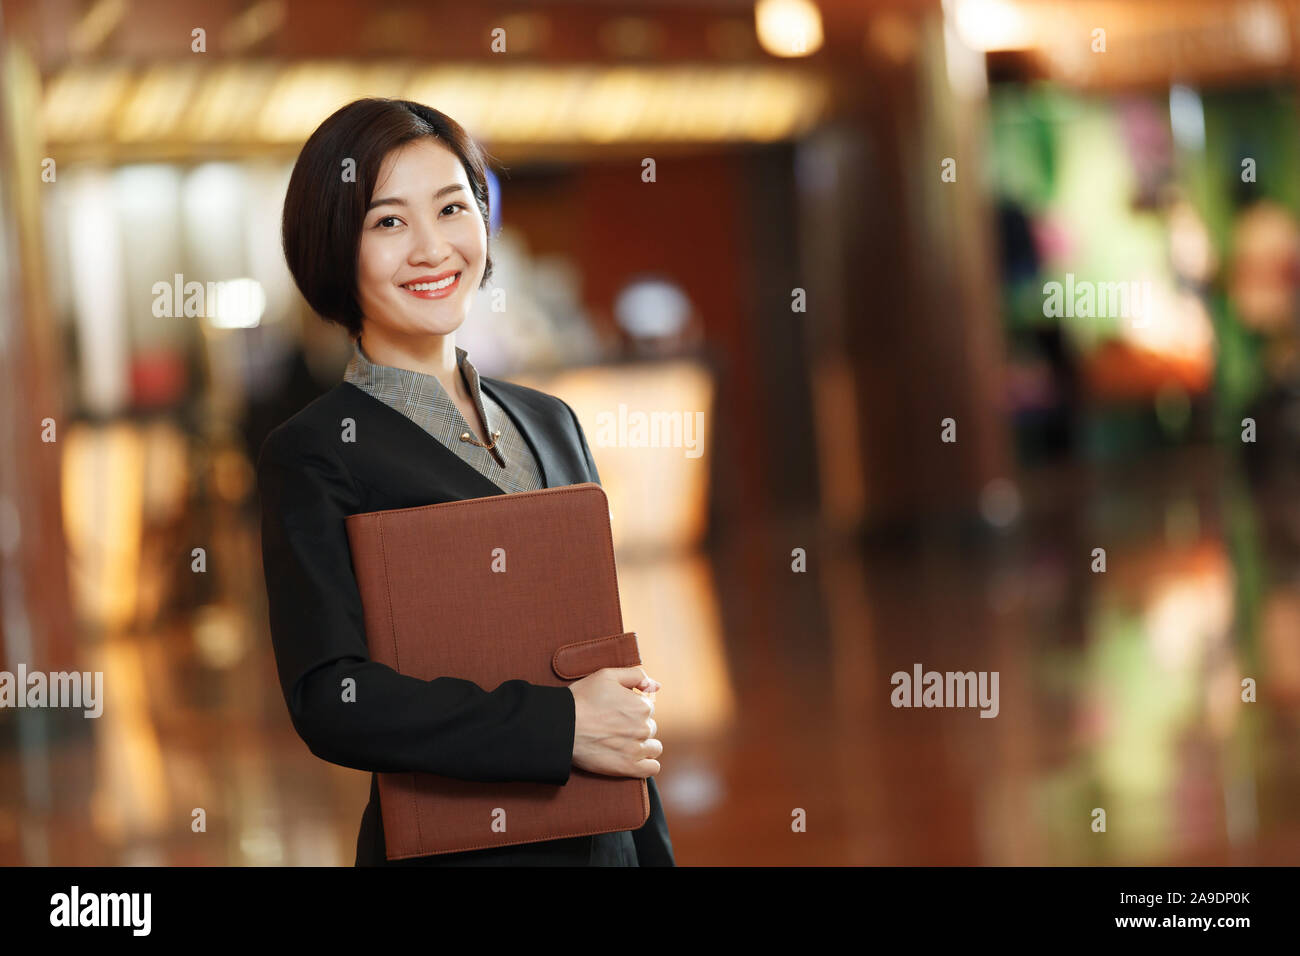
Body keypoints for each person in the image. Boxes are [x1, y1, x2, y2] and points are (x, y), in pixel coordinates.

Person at [258, 97, 675, 866]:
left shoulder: (551, 423)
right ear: (332, 247)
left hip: (604, 842)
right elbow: (331, 700)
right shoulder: (315, 453)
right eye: (388, 222)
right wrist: (562, 726)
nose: (431, 249)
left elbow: (605, 669)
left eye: (452, 208)